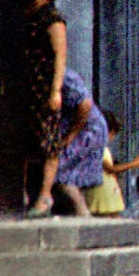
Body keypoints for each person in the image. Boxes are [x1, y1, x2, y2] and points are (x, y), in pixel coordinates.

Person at [23, 0, 68, 216]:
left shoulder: (52, 16)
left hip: (43, 87)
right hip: (24, 86)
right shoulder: (22, 13)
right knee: (23, 142)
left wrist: (55, 90)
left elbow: (60, 54)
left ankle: (44, 195)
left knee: (48, 143)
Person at [52, 71, 108, 218]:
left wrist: (72, 134)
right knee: (70, 172)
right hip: (76, 128)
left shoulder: (66, 77)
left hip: (86, 129)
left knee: (60, 169)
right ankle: (78, 209)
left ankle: (81, 210)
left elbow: (85, 104)